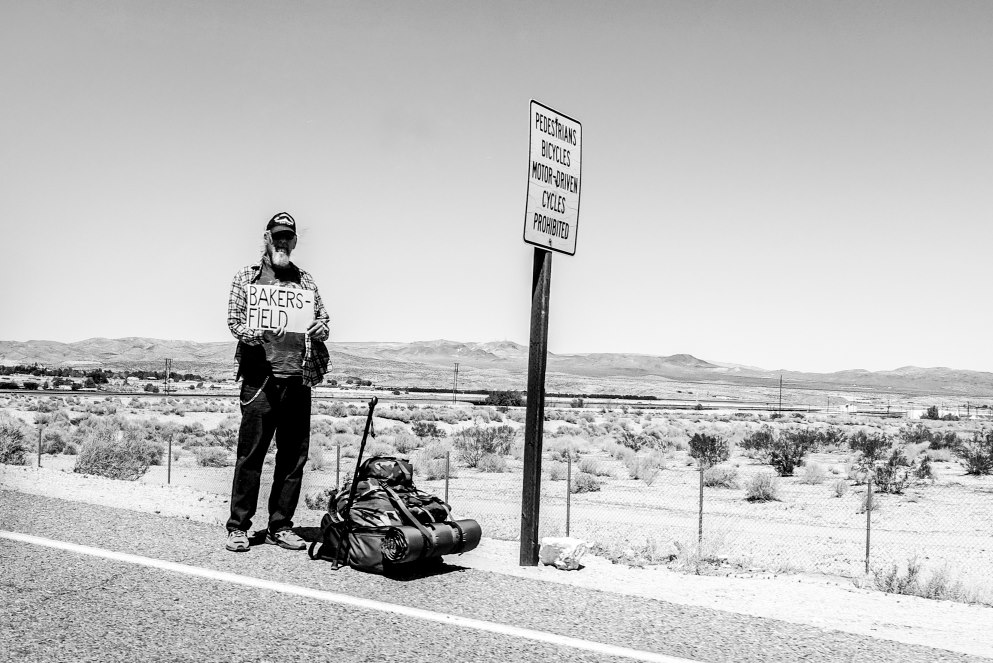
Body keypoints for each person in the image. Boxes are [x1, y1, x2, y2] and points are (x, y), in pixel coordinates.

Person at [224, 212, 330, 552]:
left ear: (294, 241)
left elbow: (323, 320)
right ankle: (238, 526)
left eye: (288, 237)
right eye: (277, 236)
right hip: (260, 380)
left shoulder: (305, 281)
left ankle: (280, 526)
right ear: (267, 238)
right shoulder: (247, 277)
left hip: (298, 378)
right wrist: (257, 331)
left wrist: (321, 328)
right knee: (251, 456)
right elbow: (235, 322)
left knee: (293, 458)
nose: (283, 242)